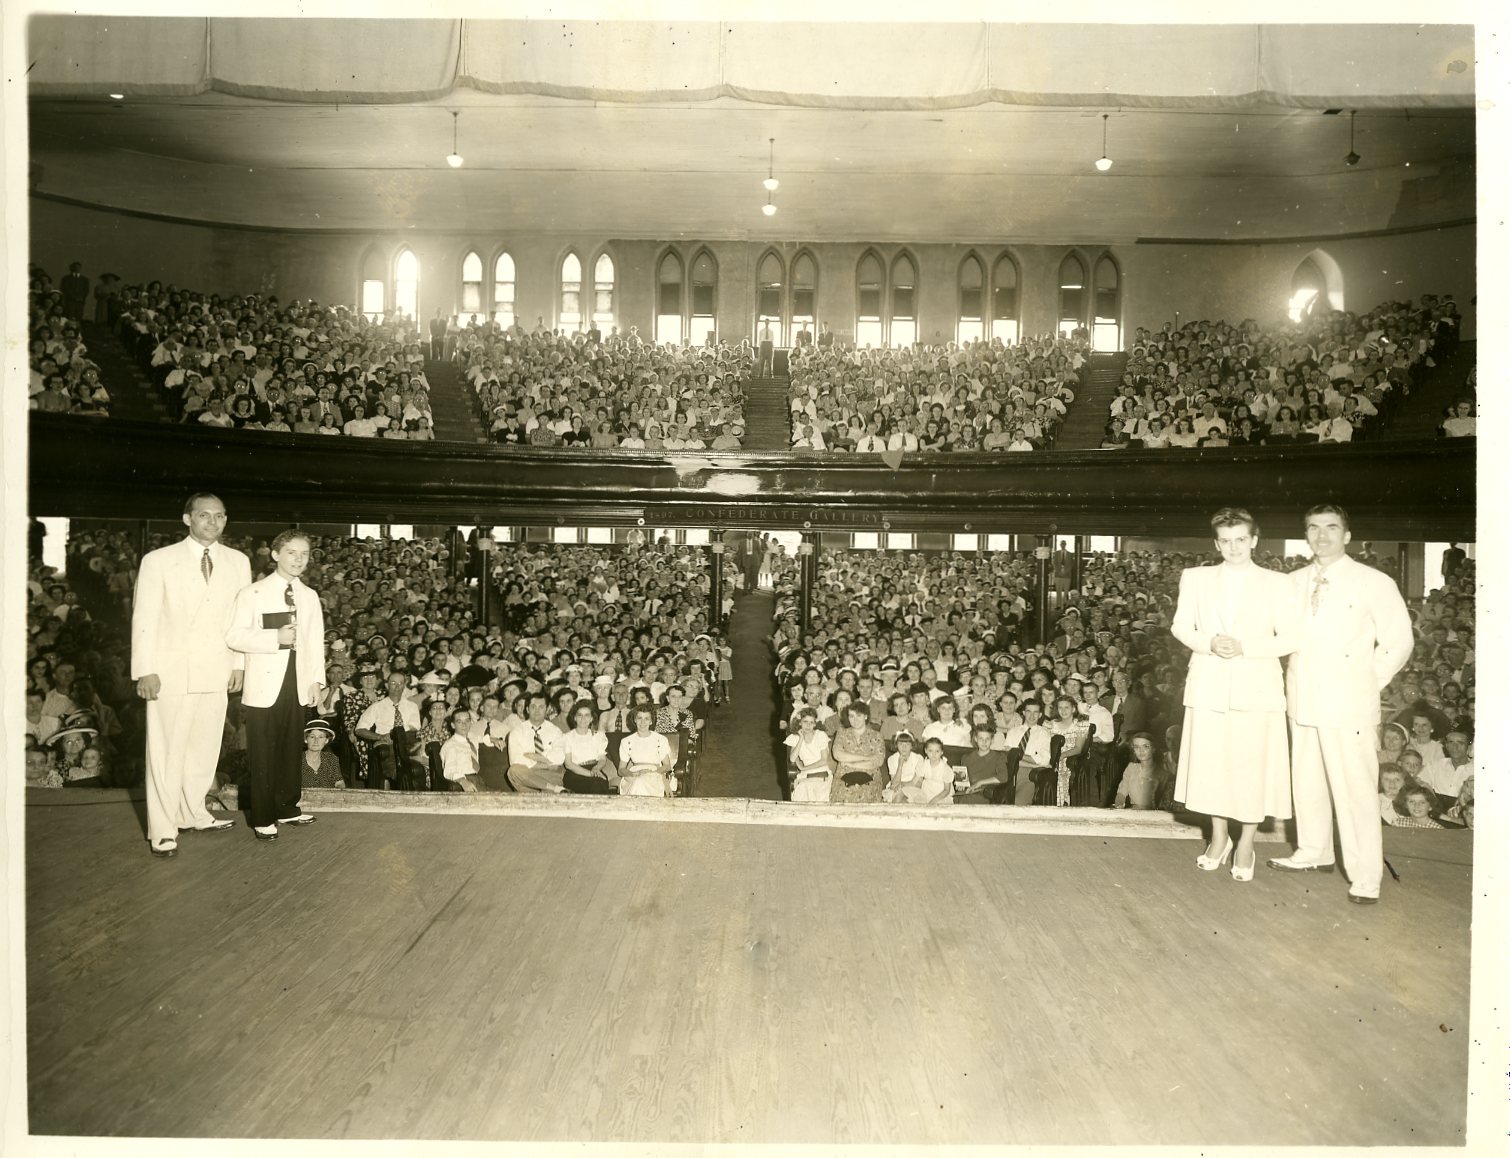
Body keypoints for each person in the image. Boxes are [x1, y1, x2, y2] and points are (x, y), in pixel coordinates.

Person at [1271, 504, 1414, 905]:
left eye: (1331, 528)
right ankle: (1313, 850)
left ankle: (1365, 875)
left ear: (1347, 536)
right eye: (1313, 528)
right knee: (1307, 778)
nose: (1322, 536)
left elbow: (1399, 641)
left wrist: (1368, 681)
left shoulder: (1373, 581)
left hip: (1349, 701)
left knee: (1355, 791)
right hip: (1302, 697)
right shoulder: (1293, 582)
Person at [1171, 508, 1299, 882]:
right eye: (1225, 541)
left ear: (1254, 540)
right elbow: (1181, 627)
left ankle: (1246, 842)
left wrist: (1245, 647)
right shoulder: (1194, 578)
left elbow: (1291, 637)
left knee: (1250, 768)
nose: (1233, 547)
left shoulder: (1279, 583)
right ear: (1216, 543)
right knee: (1212, 766)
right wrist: (1209, 642)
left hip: (1256, 687)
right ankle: (1220, 837)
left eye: (1241, 539)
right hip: (1209, 683)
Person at [132, 493, 253, 858]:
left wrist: (239, 664)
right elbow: (144, 618)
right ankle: (163, 828)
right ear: (187, 519)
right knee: (167, 751)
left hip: (216, 668)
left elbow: (240, 619)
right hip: (171, 671)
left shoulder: (238, 561)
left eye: (219, 516)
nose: (212, 522)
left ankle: (194, 812)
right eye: (204, 515)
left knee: (204, 747)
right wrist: (145, 670)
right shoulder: (159, 561)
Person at [226, 530, 327, 841]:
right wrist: (275, 639)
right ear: (275, 555)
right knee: (264, 752)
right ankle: (263, 816)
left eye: (304, 554)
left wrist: (316, 680)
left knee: (288, 747)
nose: (298, 560)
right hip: (264, 684)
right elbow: (234, 637)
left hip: (297, 681)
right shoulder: (252, 594)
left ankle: (287, 807)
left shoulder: (309, 596)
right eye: (291, 553)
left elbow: (314, 643)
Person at [299, 718, 344, 789]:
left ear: (326, 740)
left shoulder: (331, 759)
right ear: (305, 739)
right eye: (312, 737)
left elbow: (340, 784)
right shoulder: (296, 760)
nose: (316, 741)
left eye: (321, 737)